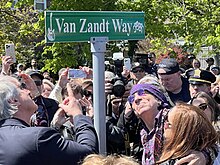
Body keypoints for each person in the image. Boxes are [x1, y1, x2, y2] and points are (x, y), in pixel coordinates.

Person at [0, 75, 98, 165]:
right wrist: (78, 115)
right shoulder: (37, 138)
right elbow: (89, 155)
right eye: (21, 88)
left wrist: (55, 127)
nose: (28, 91)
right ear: (13, 101)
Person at [128, 83, 216, 165]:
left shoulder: (176, 116)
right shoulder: (142, 133)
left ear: (158, 99)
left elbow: (211, 142)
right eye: (131, 98)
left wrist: (204, 156)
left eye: (142, 93)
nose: (136, 99)